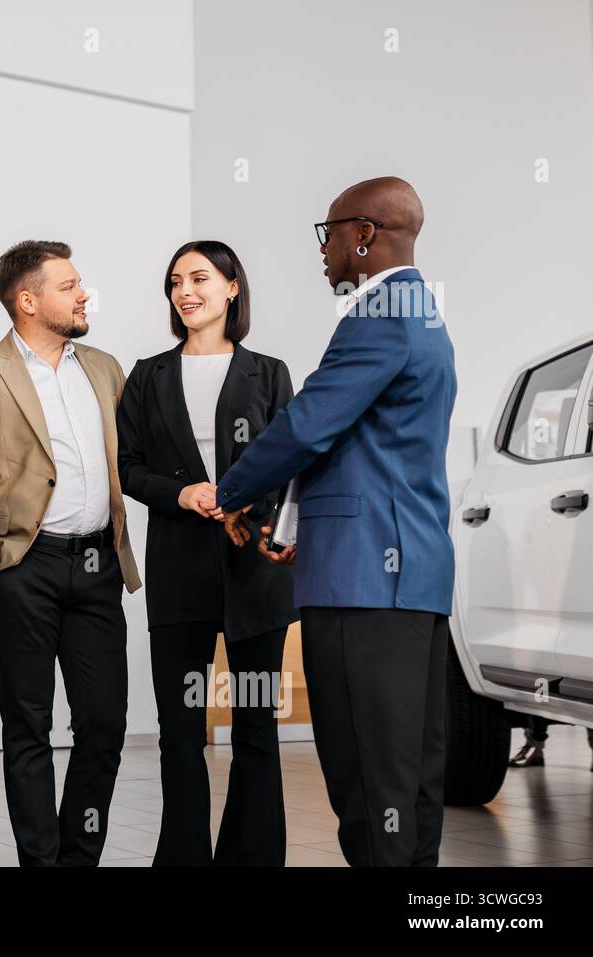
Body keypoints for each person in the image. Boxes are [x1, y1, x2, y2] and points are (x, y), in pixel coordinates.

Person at [213, 177, 457, 866]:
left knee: (365, 781)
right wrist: (287, 524)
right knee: (410, 781)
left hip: (363, 582)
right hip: (411, 580)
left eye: (329, 233)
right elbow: (360, 446)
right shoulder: (426, 315)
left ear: (364, 235)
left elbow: (308, 425)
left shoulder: (380, 317)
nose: (323, 250)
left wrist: (232, 491)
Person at [0, 240, 141, 866]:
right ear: (28, 301)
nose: (84, 296)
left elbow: (130, 460)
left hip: (99, 567)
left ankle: (79, 859)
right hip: (25, 570)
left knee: (103, 727)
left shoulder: (103, 367)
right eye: (70, 286)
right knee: (29, 728)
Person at [117, 240, 297, 866]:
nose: (185, 292)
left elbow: (288, 461)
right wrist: (182, 492)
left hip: (251, 570)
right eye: (174, 282)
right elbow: (129, 469)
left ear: (231, 288)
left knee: (255, 727)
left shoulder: (269, 373)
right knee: (180, 733)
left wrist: (251, 504)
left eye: (198, 278)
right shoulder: (148, 375)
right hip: (179, 572)